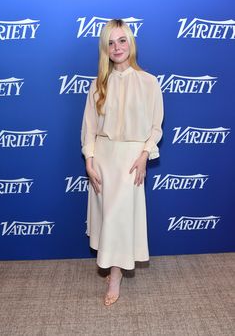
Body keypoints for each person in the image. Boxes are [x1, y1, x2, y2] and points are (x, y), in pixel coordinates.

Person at [81, 19, 164, 306]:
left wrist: (144, 156)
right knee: (108, 218)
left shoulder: (149, 82)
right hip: (103, 158)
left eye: (122, 40)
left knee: (118, 219)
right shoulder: (98, 84)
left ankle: (114, 275)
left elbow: (156, 127)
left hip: (130, 161)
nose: (117, 47)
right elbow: (89, 127)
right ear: (105, 48)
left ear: (131, 43)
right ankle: (112, 267)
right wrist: (89, 161)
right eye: (111, 42)